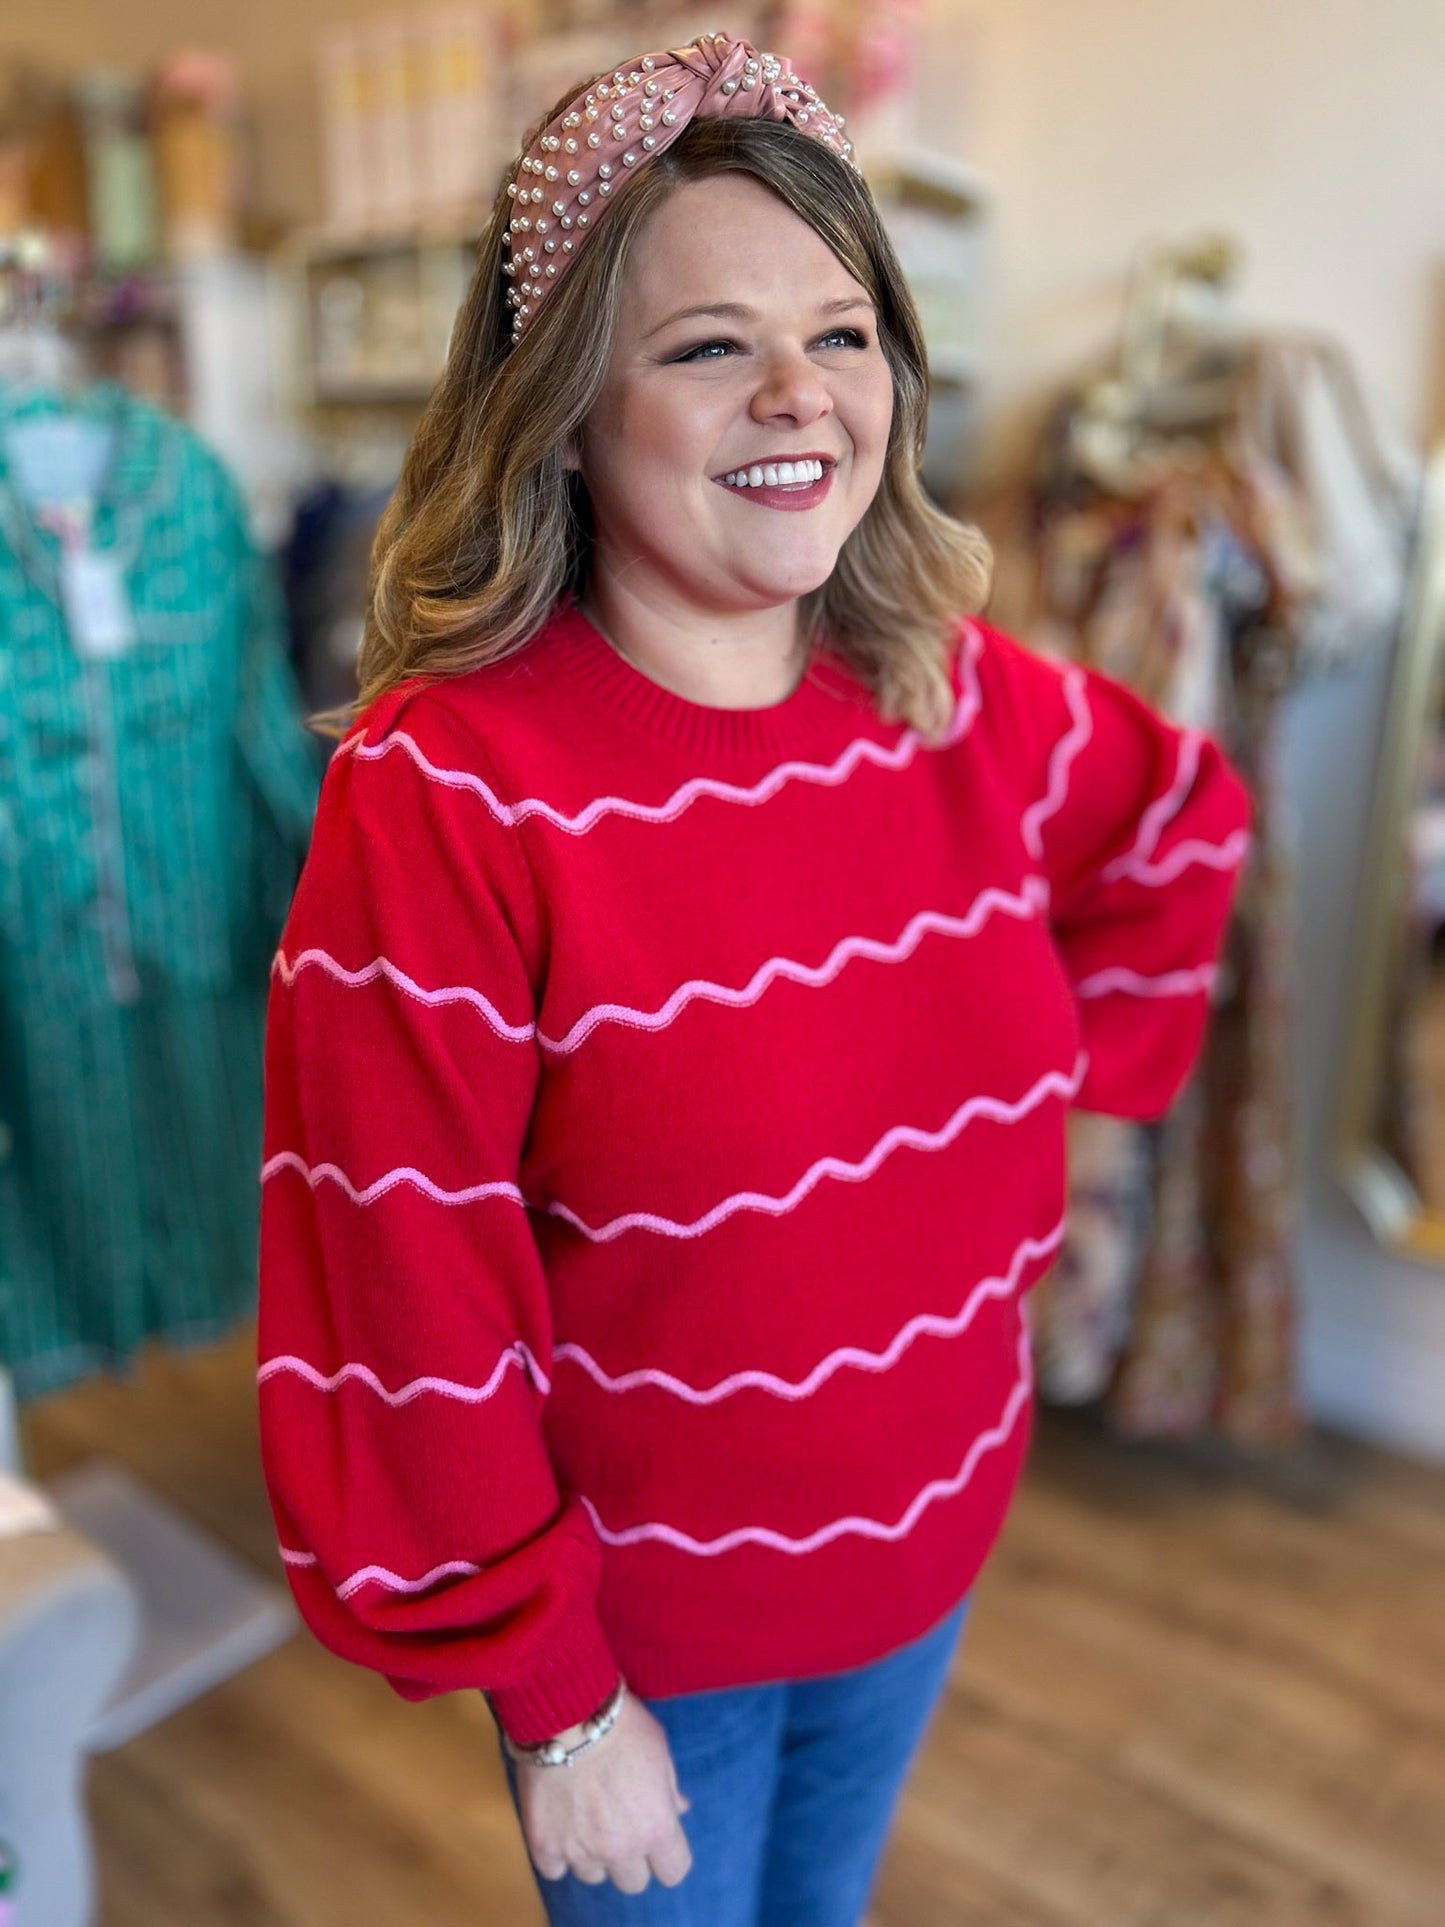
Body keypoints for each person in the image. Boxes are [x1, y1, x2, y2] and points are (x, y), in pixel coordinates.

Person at [257, 30, 1252, 1925]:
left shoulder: (962, 697)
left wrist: (1042, 1109)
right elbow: (399, 1280)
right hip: (649, 1651)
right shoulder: (452, 791)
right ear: (559, 408)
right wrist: (553, 1701)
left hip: (930, 1544)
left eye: (843, 330)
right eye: (707, 343)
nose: (798, 391)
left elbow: (1179, 819)